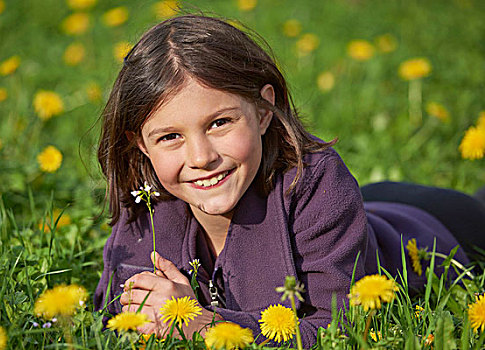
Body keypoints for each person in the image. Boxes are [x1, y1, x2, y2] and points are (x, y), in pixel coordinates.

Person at [93, 14, 485, 347]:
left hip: (429, 226)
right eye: (170, 137)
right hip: (360, 210)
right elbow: (113, 307)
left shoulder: (317, 182)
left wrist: (202, 326)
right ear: (141, 144)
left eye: (220, 122)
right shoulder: (146, 199)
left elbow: (338, 329)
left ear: (265, 110)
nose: (200, 158)